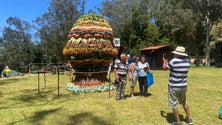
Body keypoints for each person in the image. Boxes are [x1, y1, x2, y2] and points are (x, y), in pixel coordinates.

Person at [162, 46, 193, 125]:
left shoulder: (173, 61)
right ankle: (189, 119)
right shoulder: (187, 61)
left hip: (174, 86)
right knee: (184, 102)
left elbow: (165, 68)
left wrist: (164, 62)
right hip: (183, 86)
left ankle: (178, 122)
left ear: (177, 54)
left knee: (174, 104)